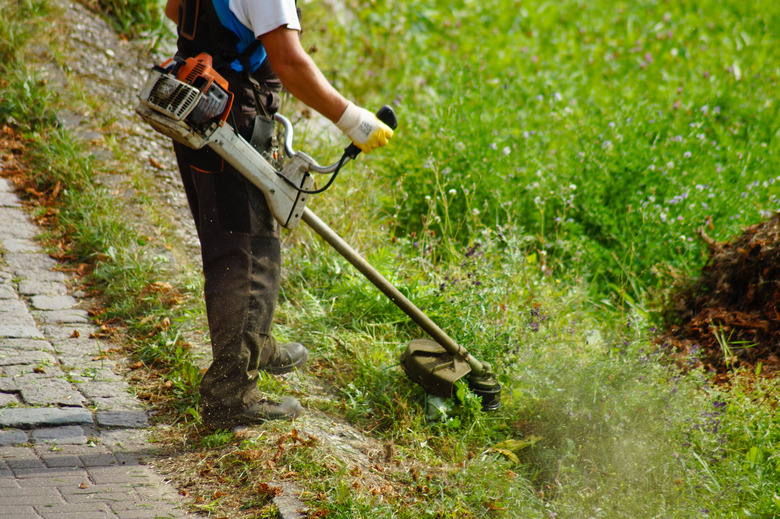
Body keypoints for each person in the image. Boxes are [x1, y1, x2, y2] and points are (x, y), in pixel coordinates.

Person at [163, 0, 394, 426]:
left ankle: (252, 345)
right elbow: (289, 61)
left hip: (193, 100)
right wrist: (353, 120)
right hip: (230, 113)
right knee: (248, 257)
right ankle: (231, 396)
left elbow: (175, 10)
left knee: (226, 244)